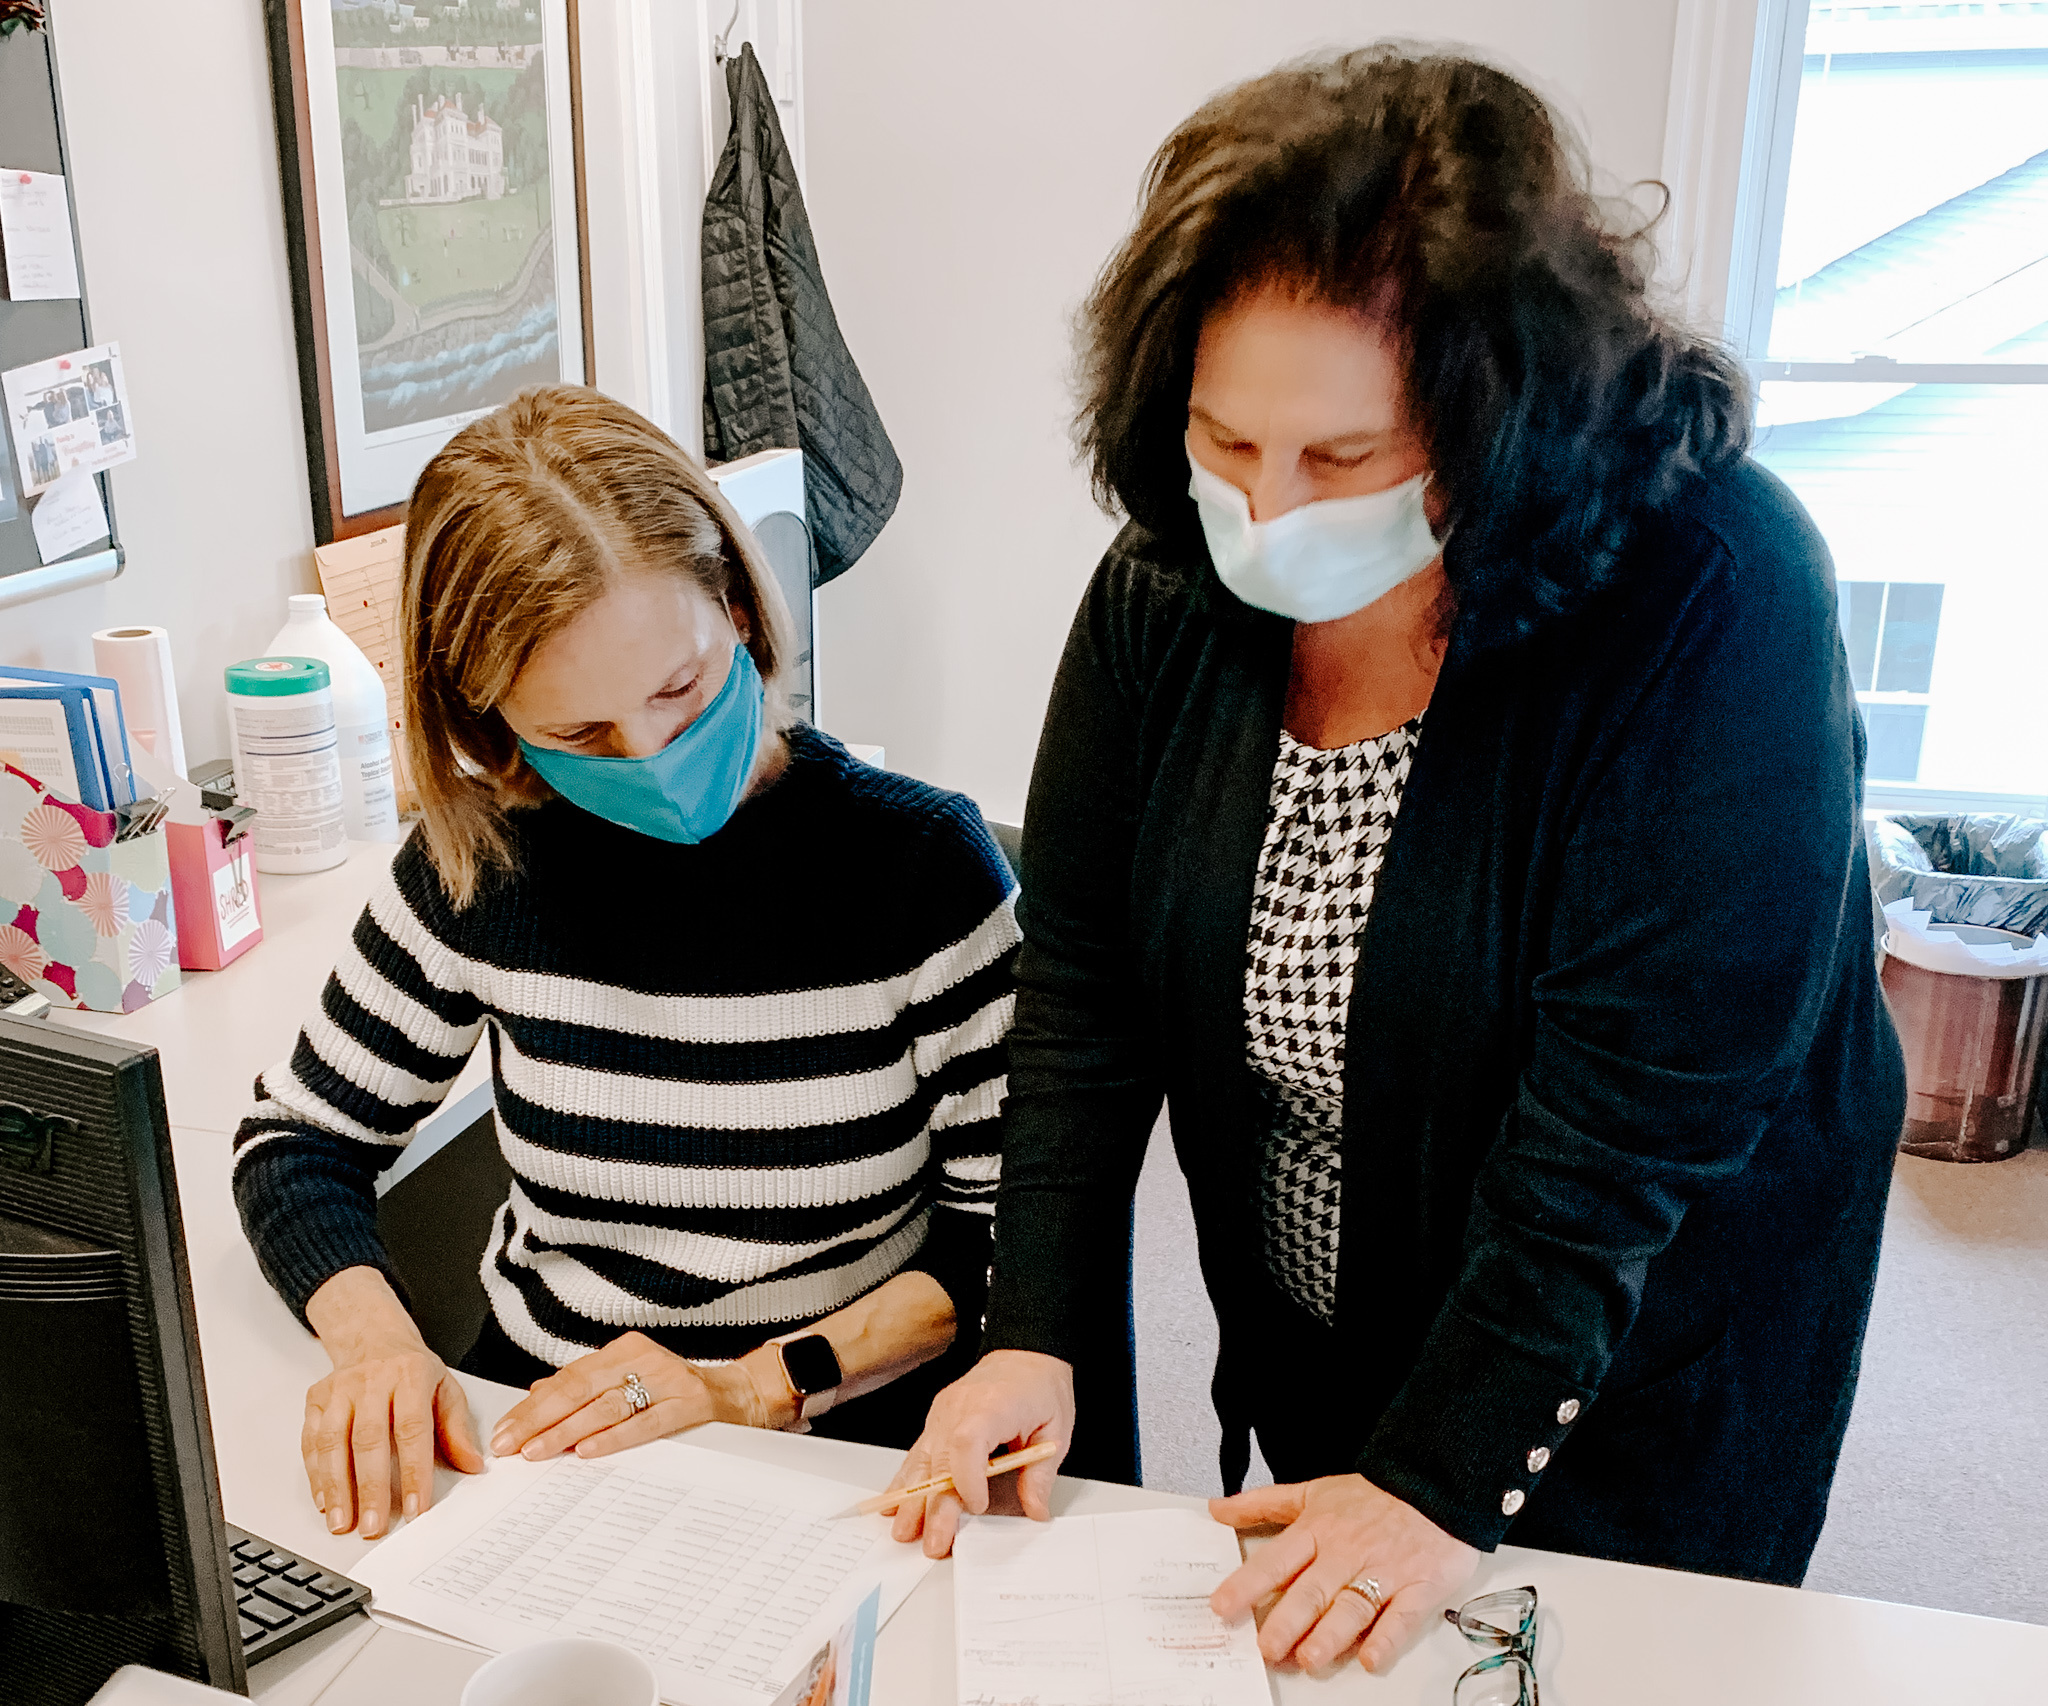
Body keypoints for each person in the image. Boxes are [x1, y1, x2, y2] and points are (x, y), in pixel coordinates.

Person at [888, 45, 1906, 1679]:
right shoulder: (1170, 583)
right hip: (1326, 1284)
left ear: (1500, 421)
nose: (1265, 512)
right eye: (1225, 442)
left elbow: (1616, 1133)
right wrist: (1041, 1338)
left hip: (1628, 1317)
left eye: (1341, 461)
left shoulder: (1709, 593)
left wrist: (1437, 1475)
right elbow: (1080, 992)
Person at [233, 385, 1018, 1539]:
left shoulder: (919, 868)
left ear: (739, 610)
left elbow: (1001, 1241)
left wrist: (748, 1386)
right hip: (541, 1429)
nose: (650, 756)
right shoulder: (481, 862)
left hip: (833, 1443)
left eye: (679, 689)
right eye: (581, 735)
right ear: (491, 722)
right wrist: (378, 1343)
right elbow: (299, 1141)